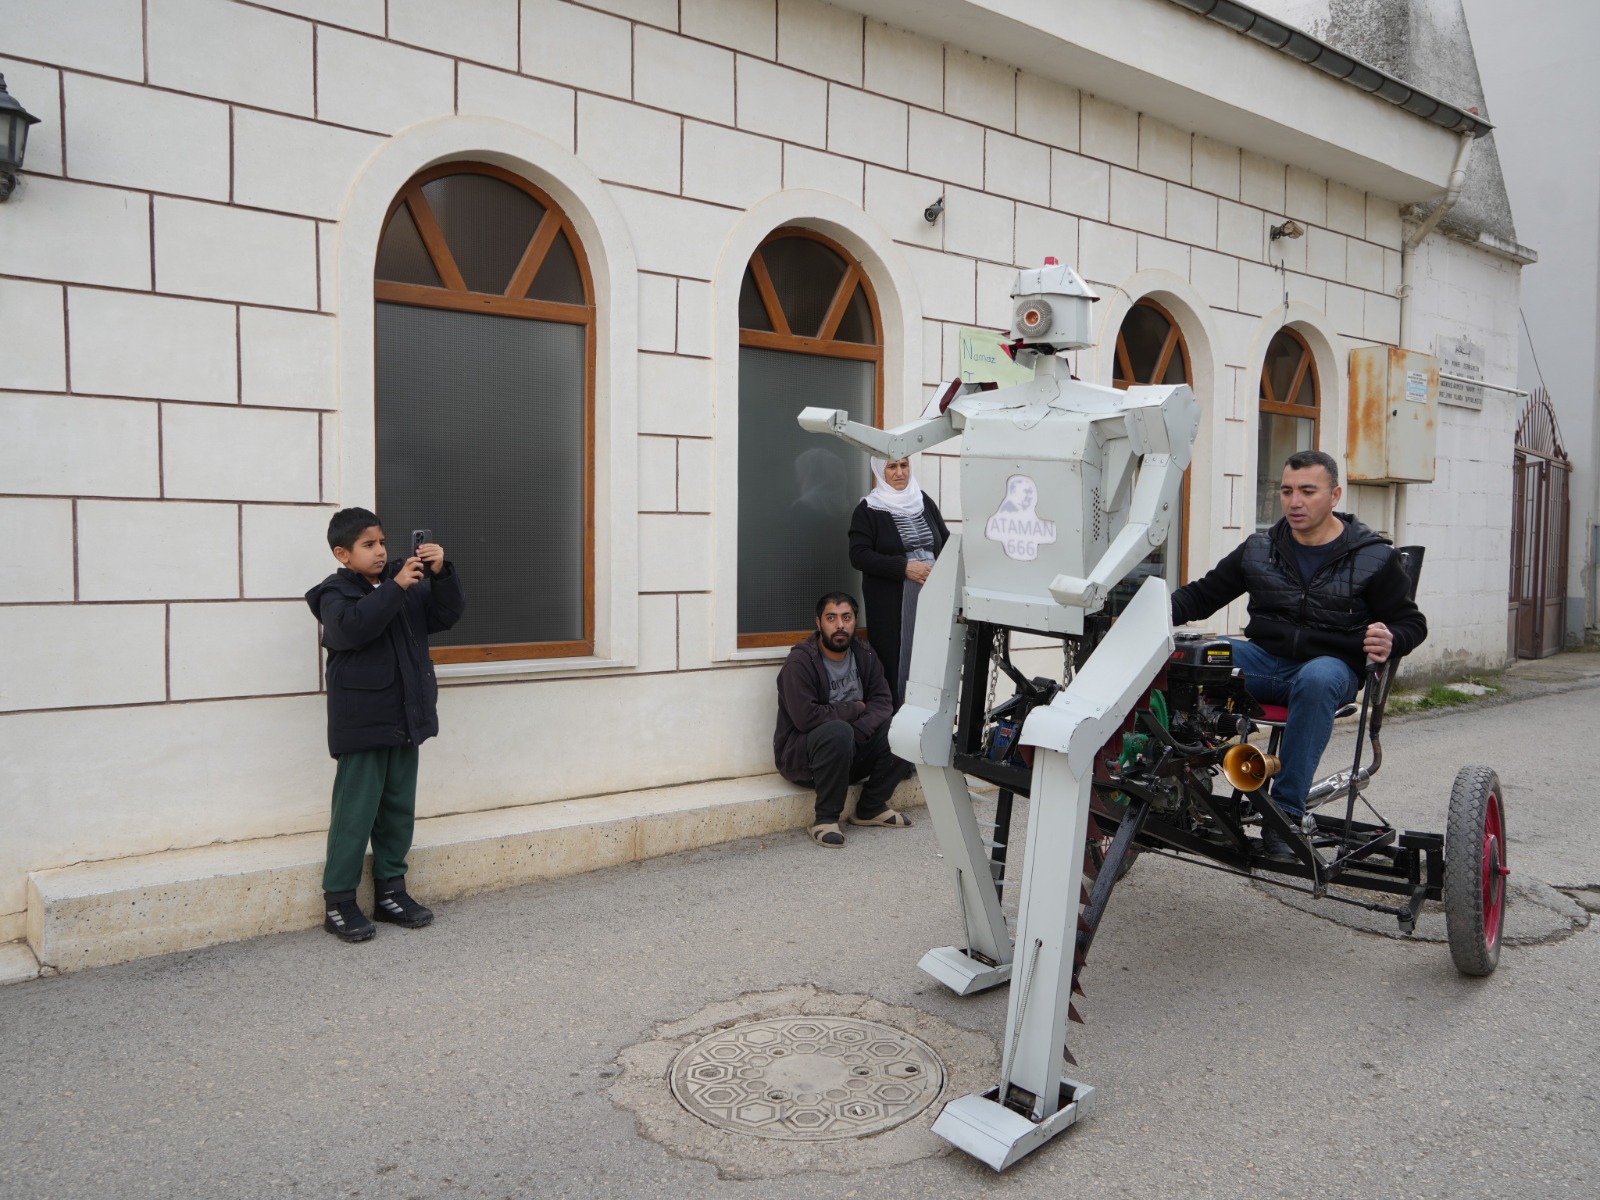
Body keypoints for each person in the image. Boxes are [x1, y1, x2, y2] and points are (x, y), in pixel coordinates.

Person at [1170, 450, 1427, 858]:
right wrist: (1143, 615)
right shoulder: (1259, 549)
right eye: (1287, 491)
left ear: (1335, 495)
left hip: (1329, 671)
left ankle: (1284, 815)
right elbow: (1202, 595)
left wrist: (1393, 638)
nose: (1295, 502)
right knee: (1188, 656)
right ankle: (1174, 779)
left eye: (1308, 491)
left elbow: (1412, 623)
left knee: (1319, 676)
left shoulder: (1374, 557)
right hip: (1261, 663)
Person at [305, 508, 466, 941]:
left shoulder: (405, 585)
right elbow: (353, 629)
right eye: (368, 545)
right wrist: (396, 586)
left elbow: (446, 616)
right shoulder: (333, 594)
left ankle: (391, 892)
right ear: (343, 554)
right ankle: (339, 901)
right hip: (363, 722)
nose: (380, 551)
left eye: (382, 542)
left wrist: (440, 572)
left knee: (397, 810)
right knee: (355, 814)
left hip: (405, 716)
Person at [773, 592, 913, 848]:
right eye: (831, 618)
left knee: (906, 726)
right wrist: (854, 708)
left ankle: (871, 807)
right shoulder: (801, 662)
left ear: (855, 621)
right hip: (807, 761)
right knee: (837, 731)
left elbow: (883, 702)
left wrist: (857, 730)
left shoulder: (865, 655)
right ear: (819, 623)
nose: (840, 625)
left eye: (846, 617)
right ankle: (825, 819)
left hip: (852, 749)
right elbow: (806, 718)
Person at [848, 457, 950, 705]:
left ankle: (932, 721)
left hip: (933, 598)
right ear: (880, 472)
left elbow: (945, 543)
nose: (899, 473)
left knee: (932, 661)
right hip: (894, 605)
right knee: (898, 665)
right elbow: (859, 555)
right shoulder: (869, 510)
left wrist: (943, 572)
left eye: (904, 465)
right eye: (891, 467)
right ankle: (896, 727)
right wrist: (904, 567)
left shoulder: (924, 501)